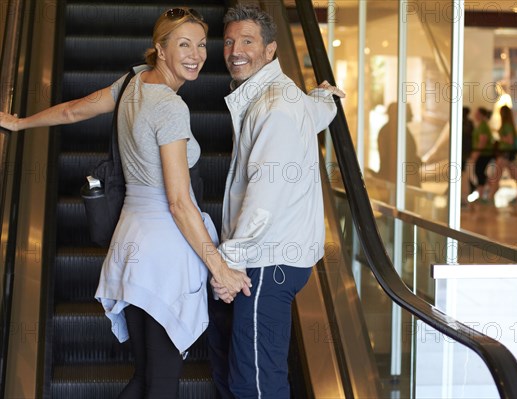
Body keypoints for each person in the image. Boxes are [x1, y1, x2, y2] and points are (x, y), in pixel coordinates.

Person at [0, 8, 251, 398]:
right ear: (160, 49)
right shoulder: (170, 107)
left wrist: (21, 123)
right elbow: (180, 202)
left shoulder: (133, 82)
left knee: (144, 376)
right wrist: (220, 268)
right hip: (164, 253)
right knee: (162, 383)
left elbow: (74, 109)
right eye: (183, 44)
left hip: (130, 244)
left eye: (201, 45)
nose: (196, 54)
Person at [207, 4, 344, 398]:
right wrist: (325, 100)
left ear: (270, 50)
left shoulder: (275, 107)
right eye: (229, 40)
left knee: (256, 383)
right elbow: (310, 112)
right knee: (244, 370)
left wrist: (226, 266)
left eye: (247, 41)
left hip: (267, 260)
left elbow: (263, 201)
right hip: (273, 256)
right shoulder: (282, 98)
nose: (235, 50)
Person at [490, 105, 517, 205]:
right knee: (514, 176)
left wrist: (500, 138)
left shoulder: (506, 126)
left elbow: (510, 140)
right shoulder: (508, 125)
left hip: (506, 154)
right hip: (507, 154)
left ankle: (491, 196)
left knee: (498, 175)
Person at [468, 107, 495, 204]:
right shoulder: (481, 125)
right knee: (481, 174)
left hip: (484, 154)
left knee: (480, 174)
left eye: (477, 113)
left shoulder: (483, 126)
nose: (475, 115)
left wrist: (476, 154)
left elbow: (483, 141)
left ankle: (481, 195)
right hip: (483, 153)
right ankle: (482, 194)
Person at [461, 106, 475, 207]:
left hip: (463, 153)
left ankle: (464, 198)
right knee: (465, 175)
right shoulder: (469, 124)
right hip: (466, 153)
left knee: (464, 176)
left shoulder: (465, 124)